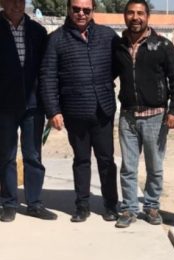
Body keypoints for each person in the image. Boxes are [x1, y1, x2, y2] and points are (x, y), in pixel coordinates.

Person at [40, 0, 118, 223]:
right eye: (76, 9)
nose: (81, 14)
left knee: (106, 160)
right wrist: (53, 110)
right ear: (68, 10)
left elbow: (116, 65)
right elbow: (47, 77)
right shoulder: (56, 39)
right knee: (81, 160)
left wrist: (99, 85)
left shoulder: (107, 35)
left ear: (93, 10)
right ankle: (82, 205)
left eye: (86, 10)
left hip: (103, 109)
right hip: (75, 111)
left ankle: (111, 205)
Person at [112, 0, 174, 229]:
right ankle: (130, 209)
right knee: (128, 167)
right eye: (131, 13)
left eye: (140, 13)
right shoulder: (118, 46)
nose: (136, 17)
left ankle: (151, 206)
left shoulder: (162, 45)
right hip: (128, 117)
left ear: (148, 16)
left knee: (155, 166)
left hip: (156, 117)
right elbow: (108, 76)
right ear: (125, 16)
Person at [0, 0, 57, 222]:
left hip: (33, 105)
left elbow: (47, 69)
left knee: (33, 155)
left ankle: (34, 203)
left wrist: (50, 104)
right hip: (4, 105)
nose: (16, 5)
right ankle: (9, 202)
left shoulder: (37, 31)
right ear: (3, 3)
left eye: (20, 1)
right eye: (10, 1)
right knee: (6, 155)